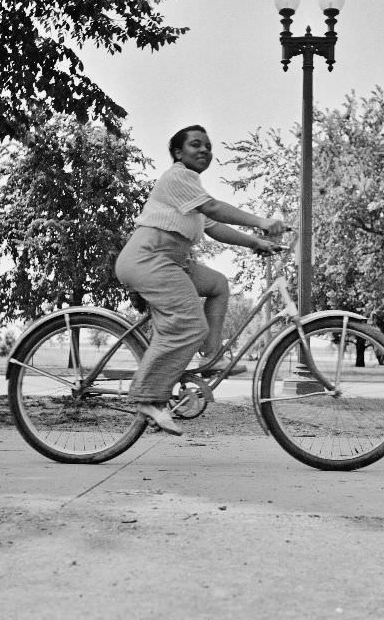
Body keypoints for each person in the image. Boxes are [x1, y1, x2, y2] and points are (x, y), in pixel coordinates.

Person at [115, 125, 287, 436]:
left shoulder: (190, 191)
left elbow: (214, 225)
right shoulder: (178, 176)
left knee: (217, 285)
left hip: (170, 262)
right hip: (148, 259)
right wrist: (261, 222)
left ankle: (210, 358)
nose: (205, 150)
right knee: (189, 325)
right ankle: (149, 398)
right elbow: (213, 208)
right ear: (178, 153)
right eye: (196, 144)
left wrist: (256, 242)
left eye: (208, 146)